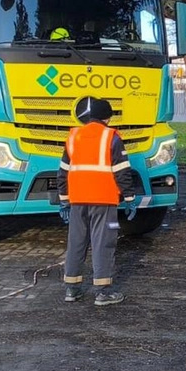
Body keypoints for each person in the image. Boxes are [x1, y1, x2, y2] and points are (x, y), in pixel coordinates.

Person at [57, 96, 136, 306]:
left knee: (76, 242)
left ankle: (71, 290)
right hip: (105, 201)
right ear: (107, 118)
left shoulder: (73, 136)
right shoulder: (112, 137)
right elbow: (122, 171)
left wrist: (64, 199)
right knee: (104, 243)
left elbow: (63, 171)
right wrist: (129, 197)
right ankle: (102, 292)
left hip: (77, 200)